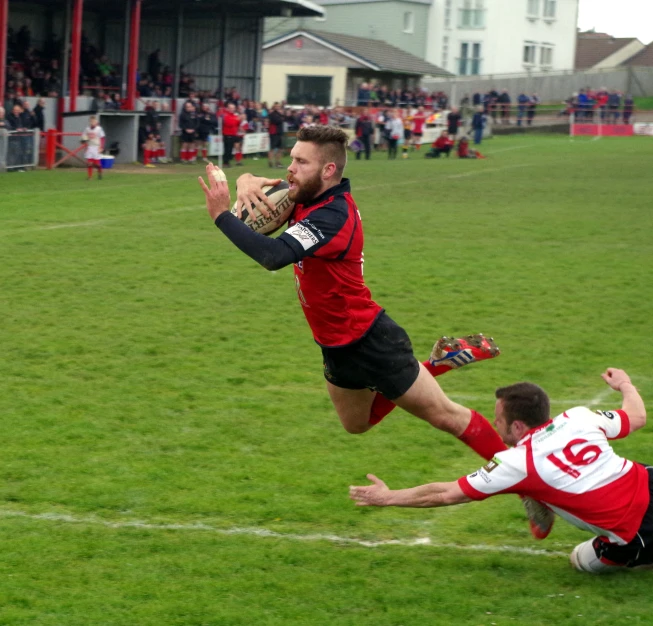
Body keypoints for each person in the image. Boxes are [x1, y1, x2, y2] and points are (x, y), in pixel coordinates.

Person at [198, 125, 552, 539]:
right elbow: (265, 186)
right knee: (356, 425)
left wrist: (223, 215)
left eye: (300, 162)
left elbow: (275, 256)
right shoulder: (306, 191)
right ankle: (435, 363)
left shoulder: (334, 214)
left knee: (446, 417)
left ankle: (529, 488)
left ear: (328, 170)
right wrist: (245, 181)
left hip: (371, 339)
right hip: (335, 345)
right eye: (291, 159)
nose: (290, 169)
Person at [350, 367, 652, 573]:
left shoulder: (515, 464)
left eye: (499, 420)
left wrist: (387, 497)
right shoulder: (578, 417)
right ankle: (539, 495)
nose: (495, 424)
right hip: (648, 480)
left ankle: (539, 497)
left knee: (579, 560)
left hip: (632, 532)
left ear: (518, 425)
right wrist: (624, 384)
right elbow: (636, 417)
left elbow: (445, 494)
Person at [81, 115, 105, 180]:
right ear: (89, 122)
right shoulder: (87, 129)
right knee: (89, 163)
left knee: (97, 163)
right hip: (90, 147)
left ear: (96, 122)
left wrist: (101, 147)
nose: (92, 123)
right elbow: (84, 137)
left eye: (94, 121)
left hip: (96, 147)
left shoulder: (99, 129)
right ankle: (90, 177)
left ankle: (100, 172)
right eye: (91, 121)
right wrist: (84, 141)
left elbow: (102, 138)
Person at [221, 102, 240, 168]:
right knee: (227, 149)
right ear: (228, 109)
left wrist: (236, 120)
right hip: (227, 134)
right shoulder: (226, 115)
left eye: (233, 108)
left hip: (233, 134)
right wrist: (236, 120)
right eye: (231, 108)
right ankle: (225, 162)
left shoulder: (234, 116)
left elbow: (237, 123)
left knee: (231, 148)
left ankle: (228, 161)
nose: (232, 109)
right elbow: (229, 124)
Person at [267, 102, 285, 169]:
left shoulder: (280, 114)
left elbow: (283, 119)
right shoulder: (272, 114)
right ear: (274, 107)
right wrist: (281, 118)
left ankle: (278, 162)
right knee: (272, 148)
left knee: (280, 148)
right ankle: (270, 162)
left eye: (278, 106)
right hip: (274, 133)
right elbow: (277, 121)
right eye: (276, 106)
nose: (277, 107)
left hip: (279, 133)